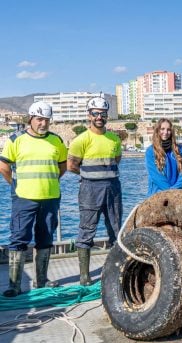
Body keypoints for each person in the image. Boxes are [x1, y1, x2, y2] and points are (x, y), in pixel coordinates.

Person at [0, 102, 66, 296]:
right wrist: (16, 185)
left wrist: (48, 181)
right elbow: (4, 167)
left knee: (45, 238)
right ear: (31, 119)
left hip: (50, 197)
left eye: (46, 119)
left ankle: (42, 281)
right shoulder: (15, 139)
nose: (43, 123)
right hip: (23, 198)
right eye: (39, 119)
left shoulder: (57, 141)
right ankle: (14, 284)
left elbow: (62, 167)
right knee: (19, 238)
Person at [67, 96, 122, 286]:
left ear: (107, 116)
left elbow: (117, 159)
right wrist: (91, 175)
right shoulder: (80, 140)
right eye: (96, 113)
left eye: (103, 114)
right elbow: (71, 165)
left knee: (116, 228)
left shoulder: (114, 138)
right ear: (89, 116)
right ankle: (84, 276)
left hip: (113, 187)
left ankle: (116, 271)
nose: (99, 117)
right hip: (90, 188)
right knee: (87, 230)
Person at [145, 118, 182, 196]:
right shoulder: (150, 151)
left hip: (179, 193)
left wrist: (175, 189)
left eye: (168, 129)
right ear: (157, 130)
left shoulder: (179, 149)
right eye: (162, 129)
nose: (165, 132)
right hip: (158, 194)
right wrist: (169, 191)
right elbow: (156, 176)